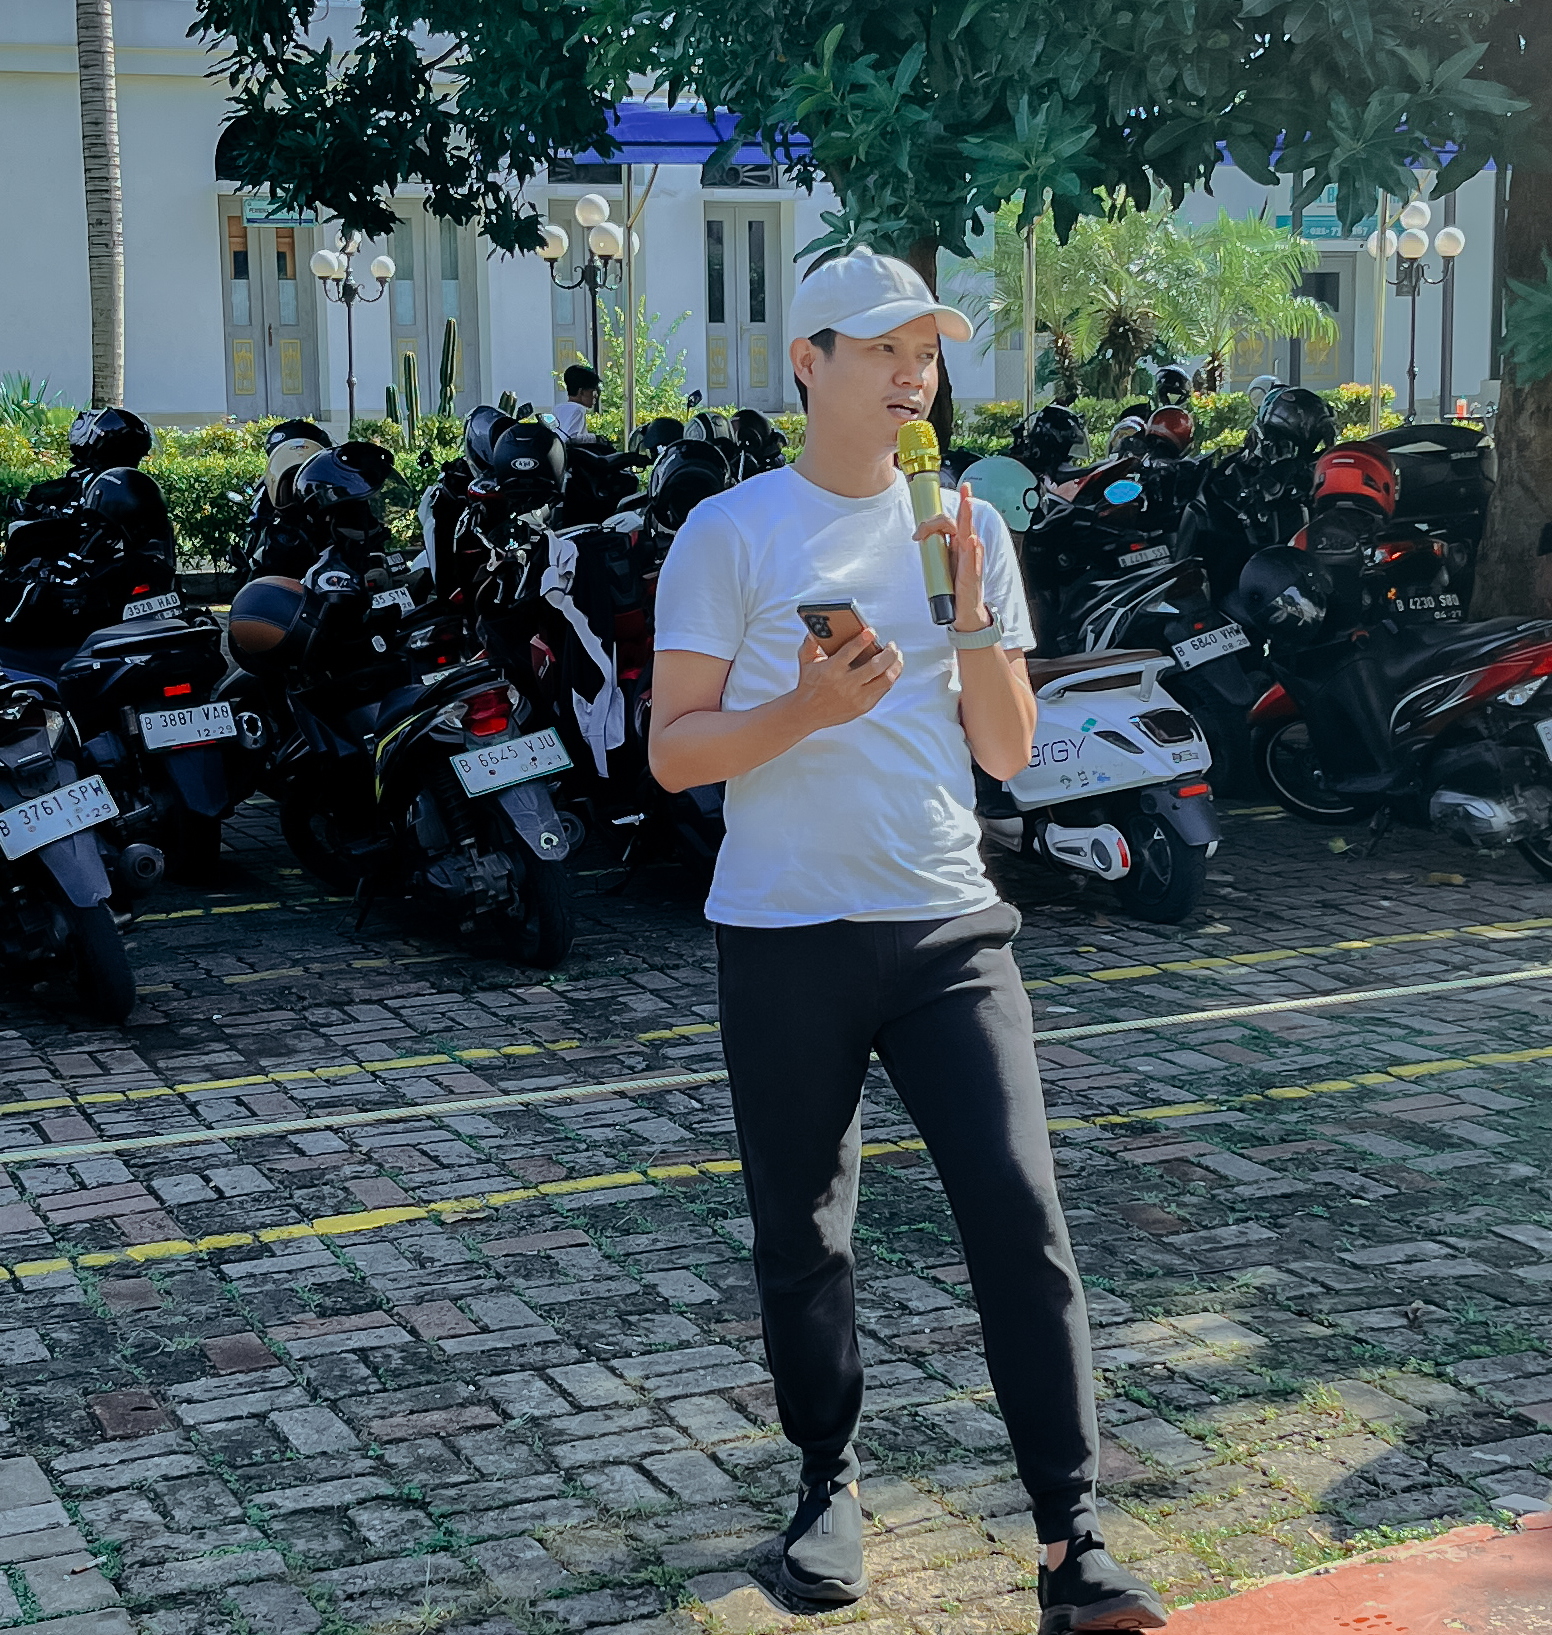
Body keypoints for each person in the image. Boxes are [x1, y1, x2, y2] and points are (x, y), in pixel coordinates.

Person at [650, 246, 1170, 1635]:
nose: (910, 374)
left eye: (924, 351)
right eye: (881, 348)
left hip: (947, 926)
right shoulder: (733, 534)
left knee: (1020, 1215)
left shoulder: (965, 524)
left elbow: (1007, 749)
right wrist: (803, 712)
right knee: (802, 1233)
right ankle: (826, 1478)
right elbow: (674, 751)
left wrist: (975, 614)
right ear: (807, 361)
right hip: (784, 932)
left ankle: (1071, 1541)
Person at [552, 363, 607, 446]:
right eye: (592, 391)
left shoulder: (557, 408)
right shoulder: (578, 409)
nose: (596, 396)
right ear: (581, 392)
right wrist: (595, 438)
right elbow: (571, 437)